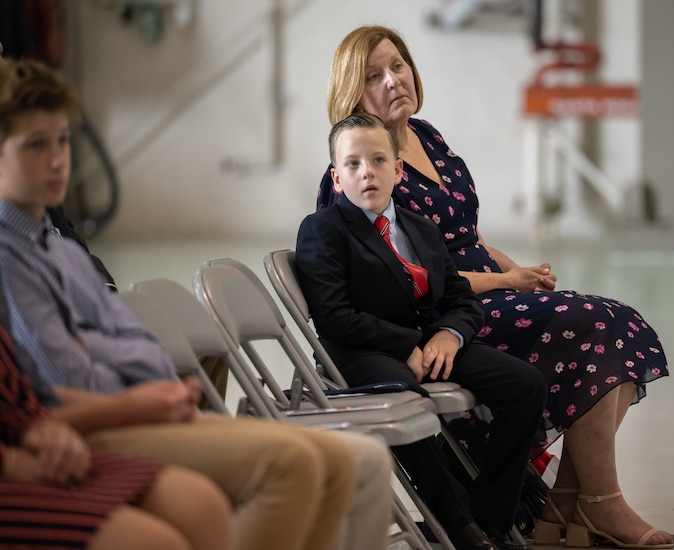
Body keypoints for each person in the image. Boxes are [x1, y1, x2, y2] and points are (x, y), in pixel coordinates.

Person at [0, 57, 392, 550]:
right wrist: (132, 387)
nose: (58, 160)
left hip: (142, 407)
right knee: (294, 466)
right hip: (95, 427)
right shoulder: (9, 254)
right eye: (37, 145)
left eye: (62, 141)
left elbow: (137, 344)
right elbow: (64, 382)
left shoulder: (58, 248)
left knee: (341, 464)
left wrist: (109, 356)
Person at [317, 25, 674, 550]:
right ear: (353, 93)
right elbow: (406, 278)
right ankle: (600, 502)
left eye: (399, 65)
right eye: (375, 76)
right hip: (441, 312)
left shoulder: (427, 136)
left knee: (620, 322)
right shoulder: (356, 172)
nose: (394, 80)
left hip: (485, 291)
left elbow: (466, 232)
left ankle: (571, 498)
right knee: (596, 327)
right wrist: (509, 280)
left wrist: (520, 271)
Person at [297, 111, 547, 550]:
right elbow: (335, 317)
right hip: (362, 351)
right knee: (403, 394)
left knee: (525, 386)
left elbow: (462, 300)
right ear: (336, 179)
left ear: (396, 169)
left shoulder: (422, 229)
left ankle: (489, 518)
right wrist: (410, 344)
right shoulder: (323, 230)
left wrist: (449, 336)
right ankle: (458, 524)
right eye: (352, 164)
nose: (366, 172)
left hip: (431, 342)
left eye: (377, 160)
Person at [0, 299, 233, 550]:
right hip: (82, 418)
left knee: (201, 505)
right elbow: (66, 368)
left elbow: (23, 385)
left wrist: (35, 424)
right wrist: (129, 405)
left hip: (33, 421)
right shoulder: (14, 264)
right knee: (151, 542)